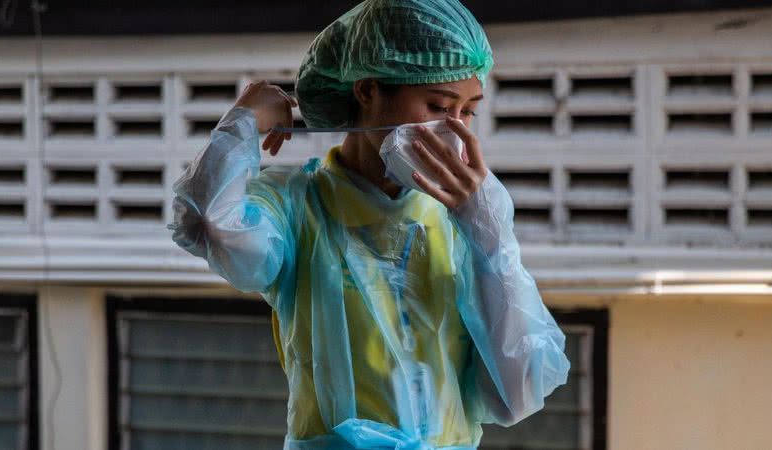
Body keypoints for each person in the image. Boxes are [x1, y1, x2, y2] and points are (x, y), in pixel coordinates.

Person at [167, 1, 571, 449]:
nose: (454, 129)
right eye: (438, 105)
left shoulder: (466, 217)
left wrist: (488, 233)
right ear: (367, 90)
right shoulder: (297, 204)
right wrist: (242, 122)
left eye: (469, 111)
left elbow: (520, 389)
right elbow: (208, 225)